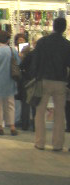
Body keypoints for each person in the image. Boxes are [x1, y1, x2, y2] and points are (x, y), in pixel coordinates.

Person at [30, 17, 70, 151]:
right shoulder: (67, 45)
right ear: (64, 28)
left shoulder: (42, 42)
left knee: (40, 111)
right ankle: (57, 144)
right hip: (60, 81)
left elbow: (35, 61)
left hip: (44, 80)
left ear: (53, 26)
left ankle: (40, 142)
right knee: (60, 113)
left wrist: (35, 76)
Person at [0, 30, 20, 136]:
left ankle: (0, 127)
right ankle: (12, 127)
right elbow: (18, 63)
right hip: (10, 81)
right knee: (10, 105)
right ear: (8, 40)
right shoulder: (12, 50)